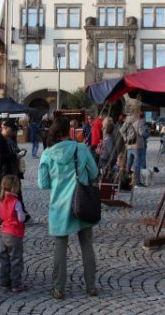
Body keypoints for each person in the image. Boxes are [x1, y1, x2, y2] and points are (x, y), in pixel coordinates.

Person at [38, 116, 99, 300]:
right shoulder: (80, 148)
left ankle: (58, 288)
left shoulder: (47, 154)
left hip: (59, 205)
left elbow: (43, 183)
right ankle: (91, 287)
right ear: (69, 131)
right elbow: (94, 172)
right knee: (87, 244)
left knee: (60, 246)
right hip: (82, 201)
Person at [0, 174, 28, 292]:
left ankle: (4, 281)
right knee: (16, 259)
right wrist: (24, 216)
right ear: (14, 188)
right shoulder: (16, 202)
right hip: (15, 233)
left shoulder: (2, 201)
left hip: (4, 232)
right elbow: (20, 218)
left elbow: (1, 215)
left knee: (4, 258)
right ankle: (16, 284)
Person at [0, 120, 26, 192]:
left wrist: (19, 152)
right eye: (13, 130)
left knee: (17, 194)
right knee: (7, 194)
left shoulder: (10, 137)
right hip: (5, 172)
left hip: (13, 170)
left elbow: (14, 149)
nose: (14, 132)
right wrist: (16, 156)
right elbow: (0, 157)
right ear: (7, 128)